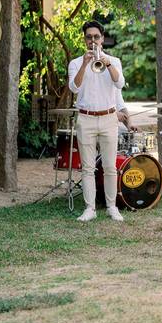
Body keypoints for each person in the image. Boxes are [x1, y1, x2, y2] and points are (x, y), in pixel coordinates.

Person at [67, 20, 126, 222]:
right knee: (88, 167)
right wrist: (85, 63)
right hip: (86, 118)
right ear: (84, 39)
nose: (93, 40)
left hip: (109, 117)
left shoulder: (114, 61)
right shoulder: (76, 63)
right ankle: (90, 208)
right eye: (89, 37)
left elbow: (120, 83)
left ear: (102, 38)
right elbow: (74, 88)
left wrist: (106, 62)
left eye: (96, 37)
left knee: (110, 166)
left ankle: (111, 207)